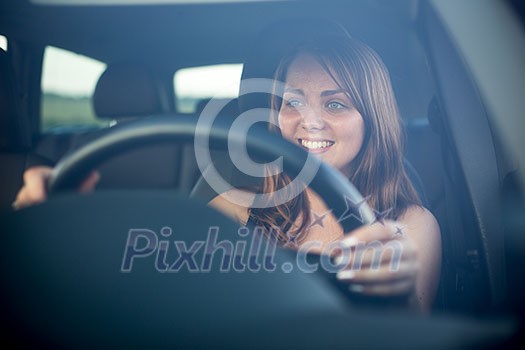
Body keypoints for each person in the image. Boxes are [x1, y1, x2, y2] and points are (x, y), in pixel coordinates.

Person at [13, 34, 441, 311]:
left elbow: (412, 333)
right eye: (291, 102)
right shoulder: (235, 207)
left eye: (335, 103)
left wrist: (397, 295)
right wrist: (56, 231)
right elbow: (154, 287)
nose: (308, 122)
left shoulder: (409, 226)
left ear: (374, 119)